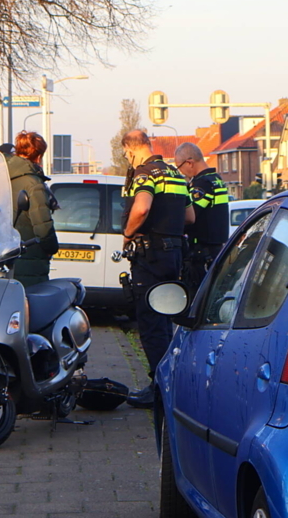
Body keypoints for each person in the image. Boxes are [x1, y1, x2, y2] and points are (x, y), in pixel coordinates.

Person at [120, 130, 195, 408]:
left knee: (151, 323)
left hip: (149, 256)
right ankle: (170, 382)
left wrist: (128, 234)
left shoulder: (145, 173)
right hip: (173, 255)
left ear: (130, 149)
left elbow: (141, 209)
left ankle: (158, 390)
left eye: (126, 154)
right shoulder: (175, 174)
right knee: (166, 320)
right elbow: (190, 216)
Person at [6, 131, 59, 287]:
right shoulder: (34, 184)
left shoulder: (1, 177)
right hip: (29, 259)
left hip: (3, 257)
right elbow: (43, 227)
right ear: (38, 156)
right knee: (30, 306)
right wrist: (51, 248)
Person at [174, 142, 229, 290]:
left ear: (189, 163)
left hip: (203, 251)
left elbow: (190, 215)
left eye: (179, 167)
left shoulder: (202, 184)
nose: (182, 173)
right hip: (215, 249)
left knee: (197, 296)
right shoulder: (216, 179)